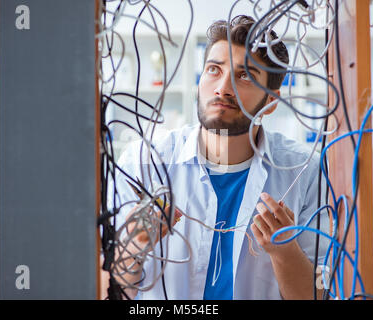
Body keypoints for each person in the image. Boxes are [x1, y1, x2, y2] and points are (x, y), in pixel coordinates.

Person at [102, 15, 330, 300]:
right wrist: (134, 245)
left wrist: (285, 251)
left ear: (270, 103)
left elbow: (315, 297)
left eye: (244, 75)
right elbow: (106, 291)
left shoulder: (305, 171)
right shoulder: (143, 162)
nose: (223, 87)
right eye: (213, 70)